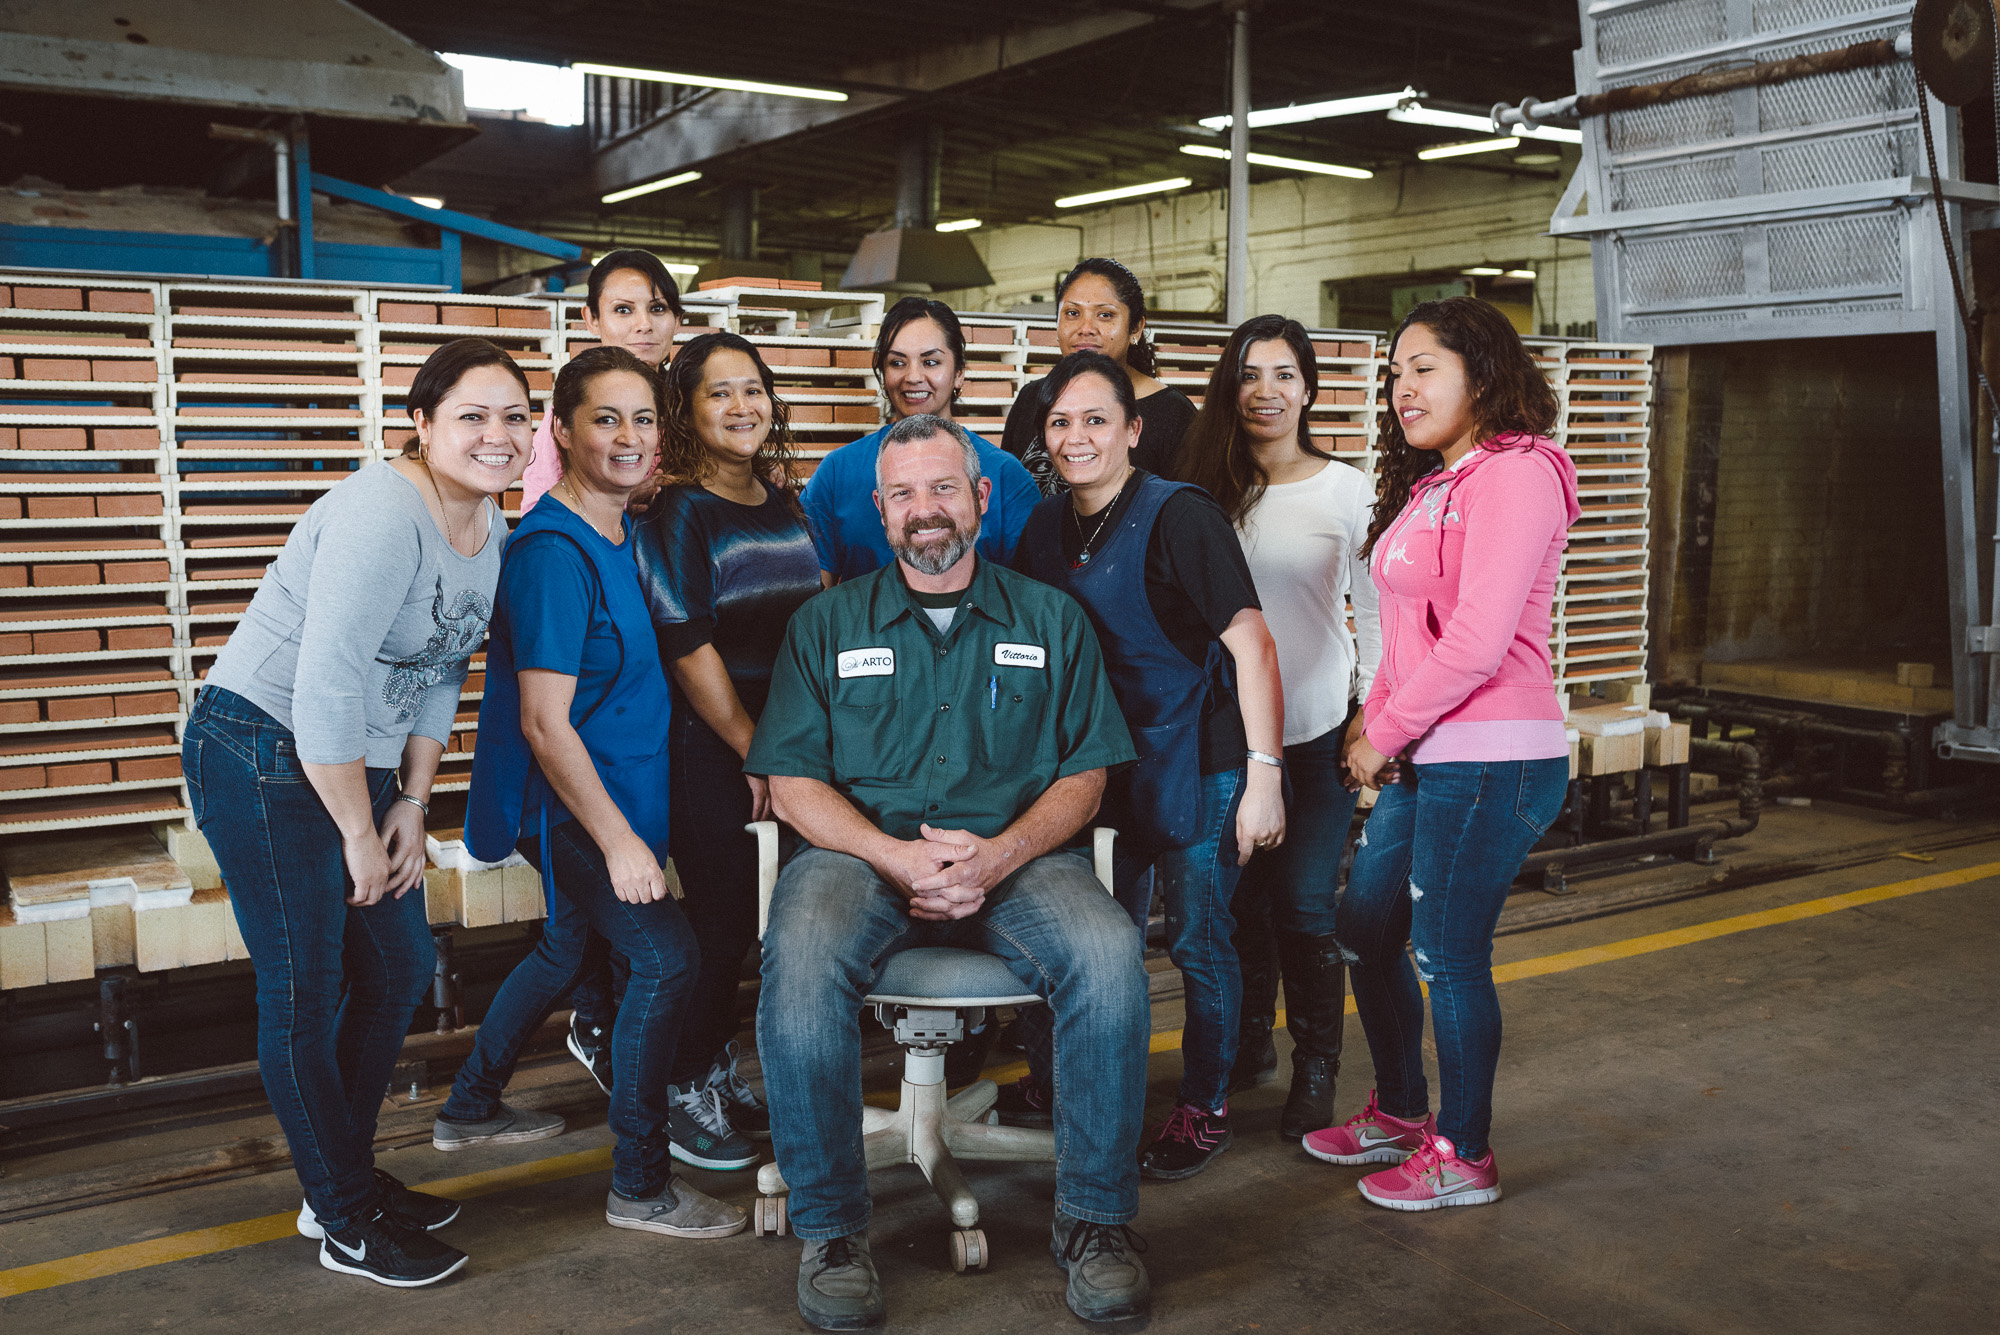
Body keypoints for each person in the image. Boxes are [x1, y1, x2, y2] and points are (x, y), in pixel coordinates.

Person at [748, 414, 1153, 1330]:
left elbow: (1086, 773)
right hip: (861, 855)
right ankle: (832, 1232)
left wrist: (1000, 851)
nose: (923, 509)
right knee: (799, 953)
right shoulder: (825, 623)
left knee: (1108, 952)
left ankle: (1096, 1221)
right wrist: (893, 854)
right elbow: (793, 781)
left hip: (1018, 857)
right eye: (903, 493)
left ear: (981, 497)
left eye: (942, 488)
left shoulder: (1051, 619)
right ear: (879, 509)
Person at [183, 338, 533, 1287]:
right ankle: (342, 1217)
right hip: (260, 750)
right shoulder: (384, 512)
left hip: (355, 762)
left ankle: (335, 1173)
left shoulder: (488, 521)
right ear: (421, 423)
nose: (497, 435)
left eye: (514, 416)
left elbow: (445, 665)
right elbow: (325, 685)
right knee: (305, 986)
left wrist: (412, 800)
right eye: (471, 415)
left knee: (399, 963)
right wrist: (354, 831)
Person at [443, 345, 744, 1242]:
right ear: (563, 432)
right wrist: (618, 842)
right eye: (605, 418)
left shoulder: (620, 531)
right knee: (667, 959)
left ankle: (470, 1104)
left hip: (616, 794)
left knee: (567, 949)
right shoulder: (551, 552)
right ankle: (642, 1183)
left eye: (643, 418)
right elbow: (545, 723)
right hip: (567, 806)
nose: (627, 435)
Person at [1305, 296, 1577, 1212]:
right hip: (1434, 750)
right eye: (1395, 373)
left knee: (1447, 953)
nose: (1403, 389)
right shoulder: (1438, 483)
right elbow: (1406, 637)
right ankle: (1401, 1110)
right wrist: (1375, 723)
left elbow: (1476, 643)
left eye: (1424, 368)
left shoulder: (1519, 473)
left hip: (1494, 753)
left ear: (1483, 373)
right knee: (1365, 927)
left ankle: (1464, 1153)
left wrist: (1382, 734)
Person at [1012, 350, 1285, 1183]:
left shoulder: (1180, 516)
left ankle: (1204, 1104)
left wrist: (1265, 777)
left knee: (1198, 937)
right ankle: (1085, 1084)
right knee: (1100, 943)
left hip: (1200, 757)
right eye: (1060, 421)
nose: (1077, 437)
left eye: (1096, 419)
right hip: (1100, 766)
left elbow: (1253, 645)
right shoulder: (1043, 528)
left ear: (1132, 429)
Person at [1172, 315, 1381, 1140]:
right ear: (1230, 387)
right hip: (1227, 735)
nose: (1266, 391)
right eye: (1251, 374)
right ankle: (1250, 1039)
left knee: (1303, 902)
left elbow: (1378, 612)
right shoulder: (1203, 490)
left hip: (1318, 727)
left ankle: (1317, 1062)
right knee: (1240, 902)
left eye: (1284, 374)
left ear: (1309, 388)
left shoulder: (1347, 491)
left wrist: (1370, 712)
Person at [629, 331, 821, 1164]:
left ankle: (711, 1067)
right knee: (721, 919)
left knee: (756, 919)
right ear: (686, 409)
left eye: (753, 389)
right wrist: (754, 750)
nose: (742, 406)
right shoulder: (680, 512)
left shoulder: (781, 500)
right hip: (713, 748)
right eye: (719, 393)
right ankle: (676, 1087)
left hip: (782, 743)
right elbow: (687, 643)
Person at [802, 295, 1040, 584]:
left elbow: (1028, 595)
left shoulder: (1006, 476)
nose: (913, 376)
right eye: (897, 362)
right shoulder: (837, 472)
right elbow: (815, 591)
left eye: (930, 361)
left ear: (959, 373)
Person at [1001, 257, 1196, 494]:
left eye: (1105, 315)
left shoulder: (1173, 413)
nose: (1086, 328)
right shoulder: (1031, 397)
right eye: (1072, 313)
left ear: (1136, 328)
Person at [519, 247, 683, 514]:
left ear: (677, 320)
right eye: (623, 309)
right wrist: (622, 504)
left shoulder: (691, 405)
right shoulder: (571, 412)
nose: (644, 324)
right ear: (592, 319)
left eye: (657, 308)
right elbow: (538, 511)